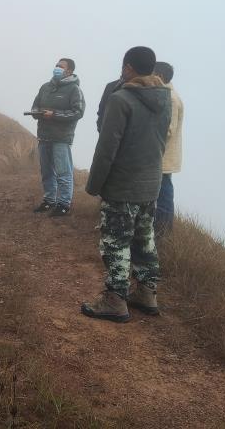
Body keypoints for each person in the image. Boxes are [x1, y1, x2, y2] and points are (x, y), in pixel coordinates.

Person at [81, 46, 171, 322]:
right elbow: (162, 140)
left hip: (122, 185)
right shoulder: (164, 97)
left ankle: (115, 300)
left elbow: (107, 148)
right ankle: (146, 293)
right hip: (150, 184)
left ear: (129, 67)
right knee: (144, 240)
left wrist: (94, 185)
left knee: (115, 243)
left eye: (124, 66)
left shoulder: (121, 99)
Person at [30, 58, 85, 217]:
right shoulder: (45, 87)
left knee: (63, 172)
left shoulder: (74, 89)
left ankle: (64, 204)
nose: (57, 68)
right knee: (47, 171)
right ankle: (49, 200)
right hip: (44, 136)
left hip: (61, 138)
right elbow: (35, 106)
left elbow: (78, 112)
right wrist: (37, 113)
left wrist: (54, 115)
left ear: (69, 71)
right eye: (56, 65)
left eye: (60, 66)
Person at [153, 61, 184, 240]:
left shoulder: (170, 98)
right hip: (161, 154)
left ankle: (163, 233)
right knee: (162, 192)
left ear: (160, 76)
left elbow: (168, 130)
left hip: (163, 156)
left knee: (164, 194)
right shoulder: (166, 94)